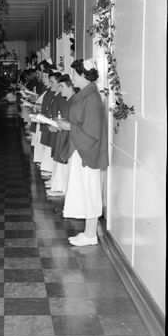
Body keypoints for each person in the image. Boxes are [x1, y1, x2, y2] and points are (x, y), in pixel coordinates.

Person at [57, 58, 109, 246]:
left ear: (83, 76)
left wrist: (70, 126)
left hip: (88, 152)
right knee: (84, 190)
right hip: (79, 149)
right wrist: (67, 125)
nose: (72, 77)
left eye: (74, 74)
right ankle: (88, 232)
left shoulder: (92, 98)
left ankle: (90, 235)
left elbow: (93, 133)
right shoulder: (84, 95)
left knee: (91, 190)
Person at [46, 73, 75, 197]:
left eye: (62, 86)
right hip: (63, 133)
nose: (60, 88)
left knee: (63, 163)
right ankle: (58, 185)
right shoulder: (68, 100)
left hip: (68, 136)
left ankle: (60, 187)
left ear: (70, 87)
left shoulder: (73, 101)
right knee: (60, 163)